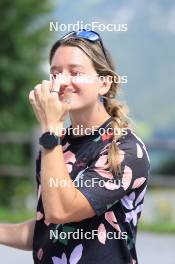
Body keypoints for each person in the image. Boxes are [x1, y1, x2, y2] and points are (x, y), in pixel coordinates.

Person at [0, 29, 150, 264]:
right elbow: (48, 229)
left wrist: (50, 130)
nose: (61, 81)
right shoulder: (56, 145)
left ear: (103, 83)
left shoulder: (127, 150)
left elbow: (61, 211)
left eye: (75, 72)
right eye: (55, 73)